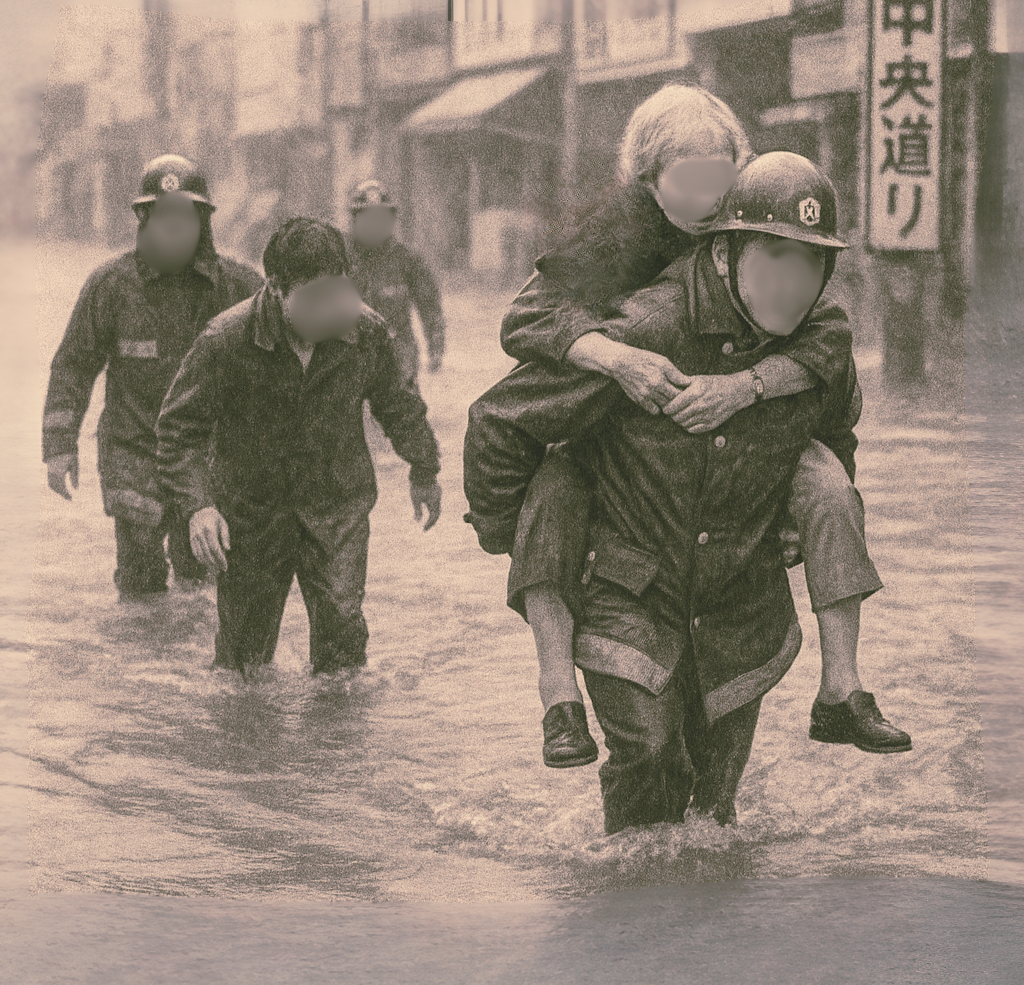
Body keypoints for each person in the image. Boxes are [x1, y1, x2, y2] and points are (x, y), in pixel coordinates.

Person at [464, 153, 901, 835]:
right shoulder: (647, 331)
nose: (792, 283)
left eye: (810, 263)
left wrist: (795, 524)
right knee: (646, 759)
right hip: (628, 593)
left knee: (712, 815)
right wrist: (522, 540)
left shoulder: (818, 345)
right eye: (774, 256)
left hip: (739, 604)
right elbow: (498, 422)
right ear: (724, 253)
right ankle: (627, 926)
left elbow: (835, 434)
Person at [156, 217, 442, 676]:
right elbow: (177, 432)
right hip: (251, 513)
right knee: (242, 665)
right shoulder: (225, 341)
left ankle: (336, 742)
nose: (332, 308)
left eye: (339, 290)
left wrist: (424, 469)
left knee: (343, 649)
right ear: (276, 289)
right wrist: (198, 507)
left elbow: (400, 404)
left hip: (336, 506)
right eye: (315, 297)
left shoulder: (367, 333)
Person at [42, 154, 264, 600]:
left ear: (203, 221)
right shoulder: (111, 286)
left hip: (207, 457)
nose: (175, 228)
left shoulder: (238, 288)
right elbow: (73, 364)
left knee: (201, 581)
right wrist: (59, 446)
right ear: (144, 218)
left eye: (186, 217)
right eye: (164, 216)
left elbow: (278, 365)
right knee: (140, 588)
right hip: (133, 452)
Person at [346, 179, 447, 387]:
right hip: (349, 359)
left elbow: (429, 305)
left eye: (381, 218)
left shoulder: (407, 260)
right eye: (368, 218)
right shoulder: (337, 257)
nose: (375, 225)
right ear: (354, 220)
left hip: (398, 359)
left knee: (407, 413)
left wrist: (436, 347)